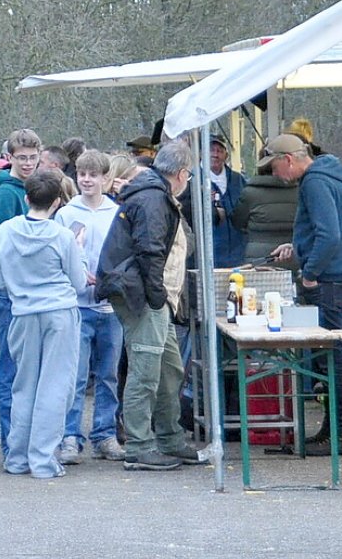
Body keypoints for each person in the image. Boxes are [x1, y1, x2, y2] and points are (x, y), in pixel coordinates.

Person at [97, 141, 202, 471]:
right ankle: (140, 445)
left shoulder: (152, 192)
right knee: (145, 369)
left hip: (148, 293)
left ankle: (169, 436)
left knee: (170, 369)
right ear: (183, 174)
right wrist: (157, 297)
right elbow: (150, 252)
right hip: (142, 294)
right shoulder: (154, 198)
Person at [265, 133, 342, 456]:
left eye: (275, 167)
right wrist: (298, 247)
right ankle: (334, 430)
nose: (275, 175)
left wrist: (309, 274)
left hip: (330, 280)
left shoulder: (314, 183)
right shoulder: (333, 175)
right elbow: (331, 229)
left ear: (289, 159)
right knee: (330, 354)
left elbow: (330, 235)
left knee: (331, 355)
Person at [0, 170, 85, 479]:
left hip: (22, 312)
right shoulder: (63, 236)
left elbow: (0, 279)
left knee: (24, 386)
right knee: (56, 386)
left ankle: (17, 457)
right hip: (59, 312)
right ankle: (44, 460)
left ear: (26, 198)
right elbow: (78, 281)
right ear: (58, 202)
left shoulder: (7, 230)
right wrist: (80, 250)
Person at [56, 149, 129, 462]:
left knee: (109, 374)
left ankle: (105, 433)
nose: (86, 180)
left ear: (105, 179)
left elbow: (124, 255)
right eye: (81, 174)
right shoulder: (65, 214)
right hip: (77, 305)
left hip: (110, 306)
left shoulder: (116, 213)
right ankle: (70, 436)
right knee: (76, 375)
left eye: (93, 175)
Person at [0, 128, 43, 451]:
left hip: (34, 290)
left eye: (32, 157)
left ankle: (27, 436)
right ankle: (11, 440)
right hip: (12, 291)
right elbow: (3, 247)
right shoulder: (7, 194)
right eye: (21, 158)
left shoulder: (33, 186)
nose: (27, 163)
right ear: (9, 157)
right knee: (10, 366)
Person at [231, 160, 300, 269]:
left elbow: (237, 222)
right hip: (292, 255)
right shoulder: (299, 191)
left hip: (259, 258)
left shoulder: (249, 193)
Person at [207, 136, 248, 268]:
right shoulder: (194, 182)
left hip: (238, 256)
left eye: (219, 150)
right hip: (208, 258)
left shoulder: (238, 180)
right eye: (211, 150)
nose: (215, 154)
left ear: (226, 155)